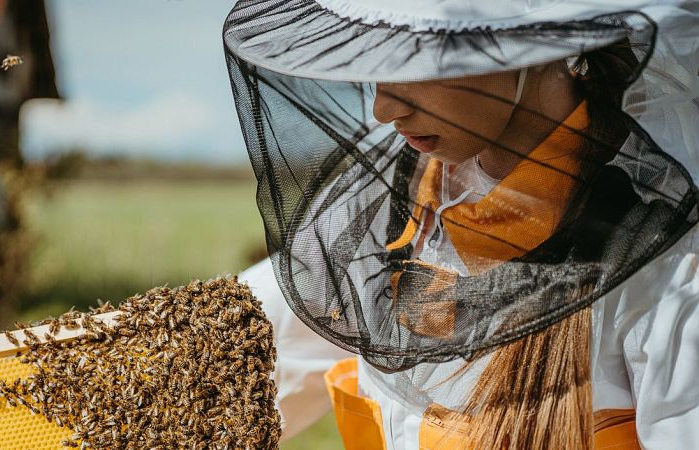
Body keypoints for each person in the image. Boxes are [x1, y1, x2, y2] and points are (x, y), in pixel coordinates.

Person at [224, 0, 699, 448]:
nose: (383, 109)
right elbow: (254, 342)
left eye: (417, 55)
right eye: (377, 57)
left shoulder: (673, 270)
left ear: (535, 44)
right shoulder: (388, 211)